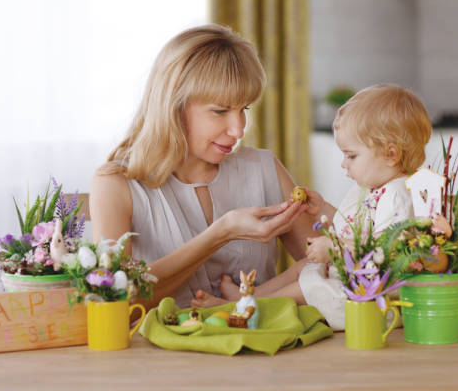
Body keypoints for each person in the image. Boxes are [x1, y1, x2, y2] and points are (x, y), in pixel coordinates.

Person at [89, 24, 316, 310]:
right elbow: (114, 302)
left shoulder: (264, 168)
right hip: (155, 354)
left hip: (263, 350)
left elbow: (330, 265)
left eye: (244, 109)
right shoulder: (116, 184)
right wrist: (220, 234)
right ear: (172, 106)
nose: (238, 130)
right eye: (220, 110)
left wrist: (254, 300)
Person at [218, 84, 432, 330]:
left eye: (351, 156)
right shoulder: (371, 188)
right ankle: (246, 297)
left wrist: (333, 250)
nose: (344, 164)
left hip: (373, 297)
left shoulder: (398, 195)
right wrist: (324, 209)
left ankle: (249, 307)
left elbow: (383, 252)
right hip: (355, 279)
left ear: (391, 154)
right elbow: (352, 227)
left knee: (307, 286)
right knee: (304, 268)